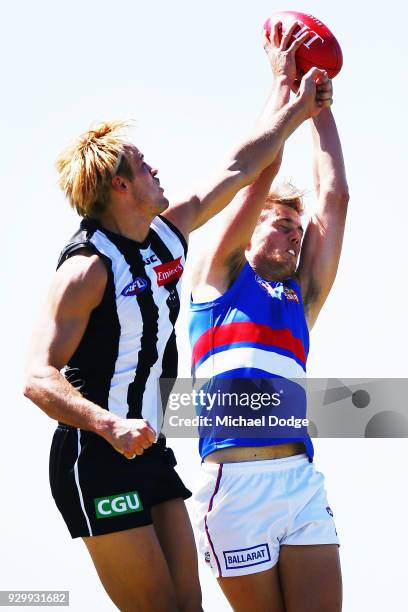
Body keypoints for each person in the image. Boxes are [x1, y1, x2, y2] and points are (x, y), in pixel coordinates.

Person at [22, 20, 329, 611]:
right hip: (96, 455)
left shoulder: (167, 233)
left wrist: (286, 90)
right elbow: (36, 376)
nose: (156, 170)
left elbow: (240, 166)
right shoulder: (86, 271)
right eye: (143, 166)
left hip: (152, 449)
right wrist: (108, 424)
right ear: (119, 186)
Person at [189, 19, 348, 612]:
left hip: (299, 483)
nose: (291, 234)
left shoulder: (301, 299)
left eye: (296, 230)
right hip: (234, 486)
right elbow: (253, 174)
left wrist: (323, 106)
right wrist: (285, 92)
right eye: (280, 223)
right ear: (253, 227)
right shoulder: (217, 277)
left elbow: (335, 199)